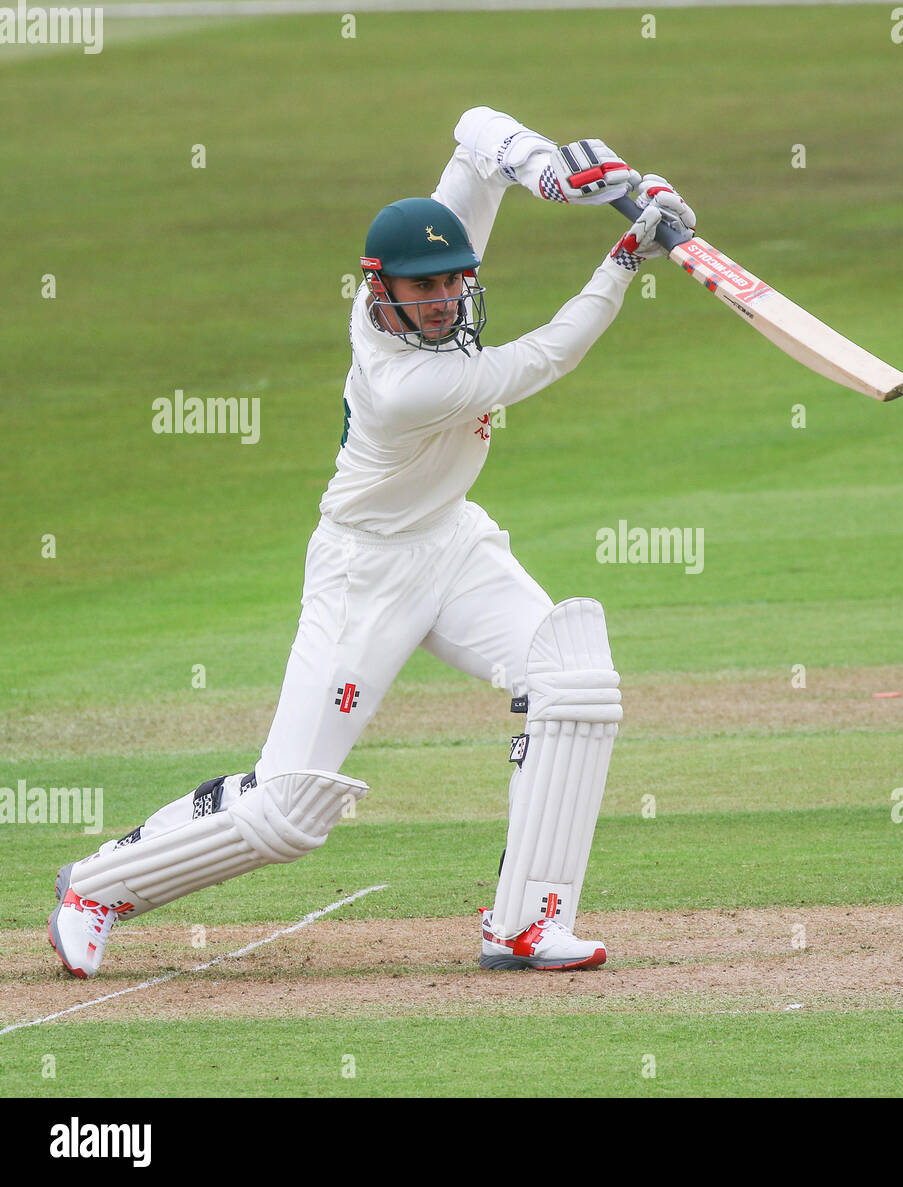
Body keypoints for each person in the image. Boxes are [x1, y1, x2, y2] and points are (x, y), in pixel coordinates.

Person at [47, 107, 696, 978]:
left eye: (453, 284)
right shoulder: (405, 383)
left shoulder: (428, 286)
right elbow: (545, 357)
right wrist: (624, 258)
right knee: (288, 810)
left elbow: (475, 134)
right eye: (422, 290)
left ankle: (526, 923)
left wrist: (554, 170)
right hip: (366, 569)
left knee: (572, 678)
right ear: (378, 289)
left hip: (453, 542)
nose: (442, 302)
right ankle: (96, 888)